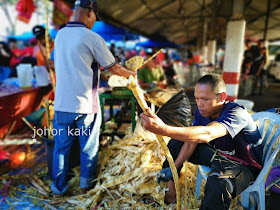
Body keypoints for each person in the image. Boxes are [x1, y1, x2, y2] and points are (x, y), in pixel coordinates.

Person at [51, 0, 136, 197]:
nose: (94, 23)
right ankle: (85, 187)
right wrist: (132, 73)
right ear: (90, 13)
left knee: (61, 149)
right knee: (88, 147)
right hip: (85, 105)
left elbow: (61, 61)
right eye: (95, 19)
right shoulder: (92, 37)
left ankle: (58, 190)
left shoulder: (60, 35)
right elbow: (113, 67)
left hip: (62, 104)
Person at [140, 74, 263, 209]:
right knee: (177, 143)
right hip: (219, 156)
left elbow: (207, 134)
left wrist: (164, 130)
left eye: (204, 99)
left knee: (218, 183)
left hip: (244, 165)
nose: (199, 104)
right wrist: (174, 167)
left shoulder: (236, 113)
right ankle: (171, 192)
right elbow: (192, 140)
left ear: (221, 97)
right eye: (197, 98)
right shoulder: (202, 112)